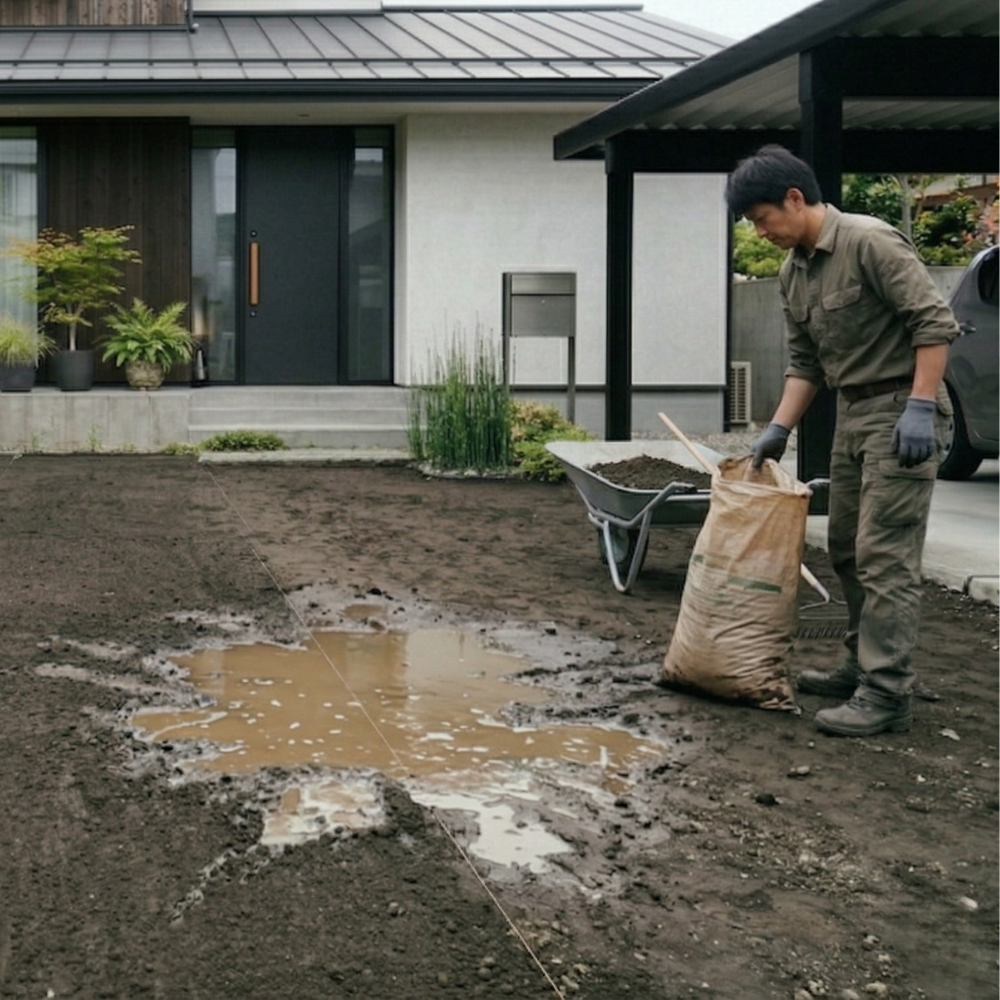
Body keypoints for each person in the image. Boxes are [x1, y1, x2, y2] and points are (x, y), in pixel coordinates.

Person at [724, 145, 958, 737]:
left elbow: (932, 324)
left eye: (762, 218)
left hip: (902, 409)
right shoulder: (792, 271)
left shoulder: (870, 242)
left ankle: (887, 693)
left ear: (795, 199)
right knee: (848, 549)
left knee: (887, 555)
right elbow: (805, 362)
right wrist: (778, 428)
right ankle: (860, 666)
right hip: (853, 414)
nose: (761, 231)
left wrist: (921, 405)